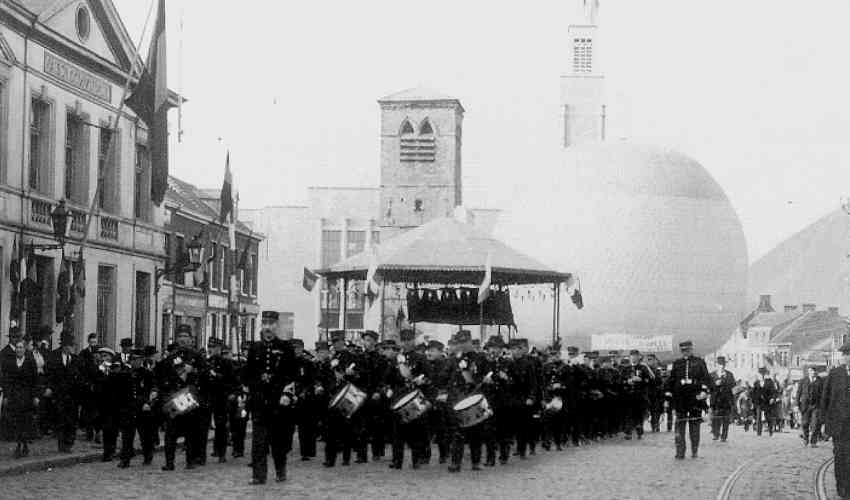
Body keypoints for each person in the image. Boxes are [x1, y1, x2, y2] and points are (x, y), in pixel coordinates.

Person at [245, 312, 297, 485]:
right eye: (265, 323)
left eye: (271, 323)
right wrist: (249, 390)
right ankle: (259, 475)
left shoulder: (286, 348)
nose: (268, 327)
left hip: (278, 402)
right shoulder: (255, 348)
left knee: (278, 441)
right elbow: (249, 374)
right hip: (260, 402)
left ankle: (280, 470)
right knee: (258, 442)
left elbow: (291, 374)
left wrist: (287, 394)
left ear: (277, 326)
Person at [158, 324, 207, 471]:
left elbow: (206, 377)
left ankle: (190, 461)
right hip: (175, 397)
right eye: (180, 336)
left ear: (191, 339)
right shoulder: (170, 358)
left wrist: (194, 371)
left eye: (185, 337)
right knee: (170, 433)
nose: (182, 339)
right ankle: (169, 462)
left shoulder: (197, 357)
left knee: (190, 432)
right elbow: (162, 378)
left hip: (190, 398)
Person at [665, 340, 710, 459]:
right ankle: (680, 451)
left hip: (695, 399)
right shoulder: (677, 363)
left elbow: (706, 378)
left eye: (688, 350)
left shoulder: (699, 362)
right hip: (680, 400)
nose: (686, 352)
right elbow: (671, 380)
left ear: (692, 349)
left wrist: (704, 392)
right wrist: (668, 397)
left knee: (694, 426)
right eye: (683, 350)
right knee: (679, 427)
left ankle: (694, 450)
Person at [821, 341, 850, 499]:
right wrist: (825, 423)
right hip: (839, 425)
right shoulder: (835, 374)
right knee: (840, 457)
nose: (848, 358)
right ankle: (842, 487)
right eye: (846, 355)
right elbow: (825, 399)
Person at [1, 339, 38, 457]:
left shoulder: (30, 362)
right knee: (16, 421)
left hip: (26, 396)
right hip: (15, 396)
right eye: (17, 347)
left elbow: (35, 380)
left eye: (21, 347)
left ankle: (25, 445)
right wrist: (6, 395)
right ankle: (18, 445)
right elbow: (6, 380)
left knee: (25, 420)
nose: (19, 350)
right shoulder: (10, 363)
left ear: (25, 349)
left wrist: (35, 396)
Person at [45, 331, 81, 453]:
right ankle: (62, 444)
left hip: (72, 396)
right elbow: (49, 374)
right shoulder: (54, 356)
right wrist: (50, 388)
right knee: (61, 420)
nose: (72, 348)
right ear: (64, 346)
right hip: (59, 394)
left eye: (72, 345)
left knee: (71, 420)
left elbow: (80, 377)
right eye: (70, 346)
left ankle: (69, 443)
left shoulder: (76, 359)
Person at [709, 356, 736, 442]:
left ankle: (724, 436)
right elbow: (708, 387)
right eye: (720, 364)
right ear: (717, 365)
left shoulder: (729, 375)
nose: (722, 366)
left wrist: (732, 400)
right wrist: (715, 384)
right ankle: (716, 434)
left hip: (726, 400)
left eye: (723, 364)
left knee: (726, 419)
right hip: (716, 401)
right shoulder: (712, 375)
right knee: (716, 418)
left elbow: (733, 387)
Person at [797, 366, 823, 447]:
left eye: (814, 371)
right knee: (805, 423)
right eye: (811, 371)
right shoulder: (803, 381)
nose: (812, 373)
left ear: (816, 372)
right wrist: (796, 405)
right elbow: (798, 393)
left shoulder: (820, 381)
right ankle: (805, 438)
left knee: (815, 424)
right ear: (808, 372)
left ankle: (813, 442)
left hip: (816, 405)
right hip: (805, 406)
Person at [752, 366, 778, 436]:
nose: (762, 375)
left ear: (765, 374)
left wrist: (773, 398)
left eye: (763, 373)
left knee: (768, 417)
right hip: (759, 403)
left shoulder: (769, 381)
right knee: (758, 417)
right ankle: (759, 432)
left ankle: (770, 431)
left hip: (767, 402)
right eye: (760, 373)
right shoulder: (756, 383)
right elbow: (753, 393)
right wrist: (753, 402)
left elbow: (774, 391)